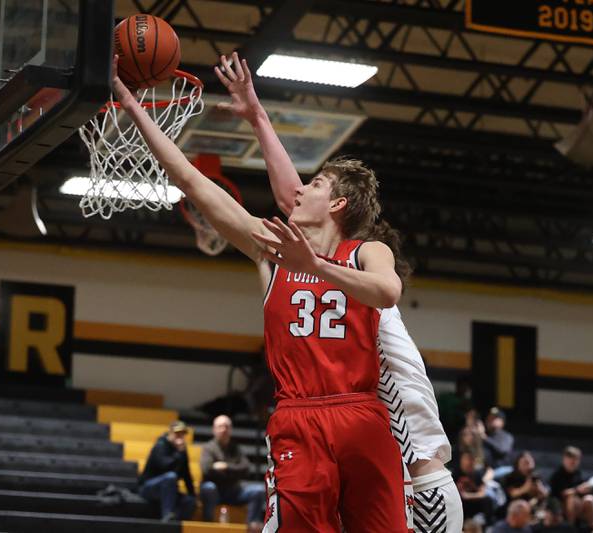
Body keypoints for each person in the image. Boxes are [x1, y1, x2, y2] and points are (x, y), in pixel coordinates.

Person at [113, 53, 408, 532]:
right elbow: (189, 178)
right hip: (298, 415)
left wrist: (314, 265)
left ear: (336, 203)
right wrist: (129, 101)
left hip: (360, 412)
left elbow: (387, 292)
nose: (297, 192)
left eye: (312, 184)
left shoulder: (368, 251)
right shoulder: (270, 251)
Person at [212, 52, 463, 532]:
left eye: (317, 187)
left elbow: (299, 206)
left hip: (418, 480)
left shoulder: (363, 275)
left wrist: (259, 117)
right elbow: (297, 202)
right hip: (370, 457)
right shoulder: (337, 267)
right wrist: (257, 116)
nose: (299, 196)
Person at [199, 415, 265, 529]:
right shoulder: (208, 447)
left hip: (234, 492)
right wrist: (233, 471)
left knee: (258, 490)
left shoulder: (235, 448)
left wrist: (225, 467)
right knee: (208, 487)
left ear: (230, 429)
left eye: (226, 426)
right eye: (220, 426)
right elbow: (206, 469)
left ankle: (251, 527)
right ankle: (207, 525)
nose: (224, 429)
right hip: (215, 492)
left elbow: (246, 468)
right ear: (214, 429)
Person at [137, 420, 196, 522]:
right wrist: (179, 453)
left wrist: (193, 495)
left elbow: (186, 474)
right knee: (170, 476)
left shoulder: (181, 451)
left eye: (182, 434)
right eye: (177, 433)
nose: (180, 437)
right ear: (170, 433)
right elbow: (165, 466)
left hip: (169, 490)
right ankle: (167, 516)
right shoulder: (160, 445)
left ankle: (178, 524)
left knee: (189, 500)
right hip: (148, 488)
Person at [549, 446, 593, 527]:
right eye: (570, 458)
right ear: (564, 459)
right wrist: (578, 490)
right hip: (560, 506)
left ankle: (591, 528)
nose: (573, 462)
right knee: (572, 500)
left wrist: (587, 488)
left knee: (589, 499)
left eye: (575, 459)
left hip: (578, 503)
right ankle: (571, 528)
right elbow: (563, 494)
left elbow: (580, 489)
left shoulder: (577, 473)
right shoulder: (557, 475)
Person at [456, 450, 495, 523]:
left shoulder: (477, 474)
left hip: (474, 501)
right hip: (461, 503)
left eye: (471, 459)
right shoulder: (455, 474)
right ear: (461, 460)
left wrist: (469, 496)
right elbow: (459, 495)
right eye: (466, 459)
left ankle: (488, 525)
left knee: (488, 500)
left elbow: (482, 493)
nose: (469, 462)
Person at [482, 407, 515, 473]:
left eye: (494, 418)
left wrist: (485, 438)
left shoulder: (506, 436)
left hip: (503, 470)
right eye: (489, 418)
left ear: (502, 422)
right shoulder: (483, 435)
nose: (490, 420)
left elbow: (502, 450)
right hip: (486, 471)